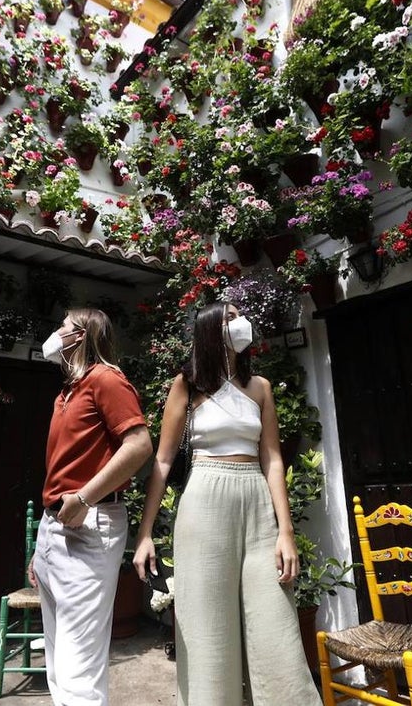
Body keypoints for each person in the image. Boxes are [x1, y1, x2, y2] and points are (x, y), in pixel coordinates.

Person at [133, 302, 321, 706]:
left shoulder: (260, 387)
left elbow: (272, 459)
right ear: (210, 329)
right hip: (204, 501)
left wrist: (285, 531)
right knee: (208, 634)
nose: (241, 322)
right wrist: (145, 533)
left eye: (240, 315)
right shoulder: (187, 385)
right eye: (231, 317)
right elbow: (163, 461)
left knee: (276, 625)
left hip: (256, 501)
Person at [30, 308, 153, 706]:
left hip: (90, 523)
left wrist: (85, 497)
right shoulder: (67, 391)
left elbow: (140, 445)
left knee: (78, 663)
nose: (56, 331)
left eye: (62, 325)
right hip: (55, 525)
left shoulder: (105, 379)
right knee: (58, 660)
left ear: (81, 335)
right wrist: (42, 548)